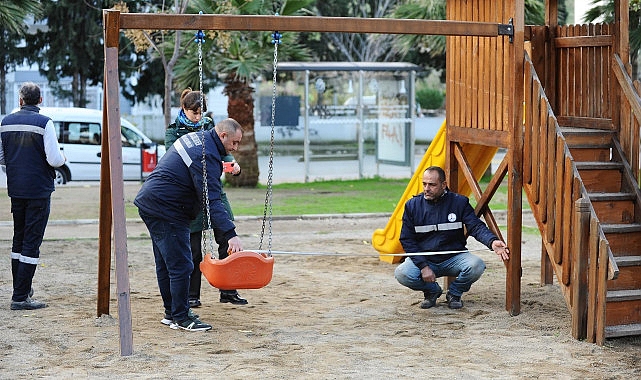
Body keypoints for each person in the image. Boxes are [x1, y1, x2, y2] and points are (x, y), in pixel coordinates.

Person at [135, 118, 244, 332]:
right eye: (234, 142)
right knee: (182, 265)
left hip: (152, 202)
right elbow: (212, 199)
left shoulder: (200, 140)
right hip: (167, 208)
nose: (235, 148)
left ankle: (172, 313)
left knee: (167, 263)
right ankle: (182, 316)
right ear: (222, 136)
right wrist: (231, 234)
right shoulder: (207, 155)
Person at [164, 90, 247, 308]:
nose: (198, 117)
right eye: (194, 113)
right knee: (192, 247)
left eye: (201, 113)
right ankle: (192, 295)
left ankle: (228, 289)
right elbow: (174, 155)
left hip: (212, 189)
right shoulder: (174, 132)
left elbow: (222, 149)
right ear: (184, 109)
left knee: (226, 235)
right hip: (191, 193)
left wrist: (231, 163)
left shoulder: (211, 127)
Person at [395, 166, 510, 310]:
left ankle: (454, 293)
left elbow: (475, 226)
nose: (426, 188)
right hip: (425, 259)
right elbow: (407, 240)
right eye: (424, 184)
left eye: (432, 185)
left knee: (477, 265)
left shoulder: (459, 202)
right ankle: (432, 291)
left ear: (443, 185)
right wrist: (423, 266)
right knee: (402, 274)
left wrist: (492, 241)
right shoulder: (412, 206)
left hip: (454, 257)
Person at [0, 82, 66, 310]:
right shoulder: (44, 122)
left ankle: (22, 289)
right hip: (38, 190)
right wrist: (63, 159)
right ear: (40, 100)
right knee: (31, 242)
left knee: (18, 239)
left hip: (16, 189)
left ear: (20, 100)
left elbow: (1, 157)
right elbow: (55, 160)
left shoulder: (5, 122)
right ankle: (20, 297)